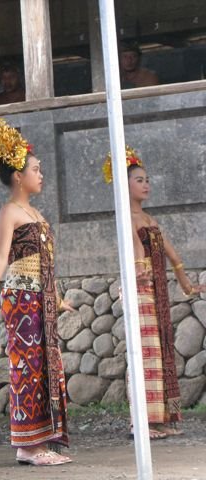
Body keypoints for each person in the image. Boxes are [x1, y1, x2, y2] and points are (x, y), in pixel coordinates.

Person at [0, 119, 72, 466]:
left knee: (45, 366)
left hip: (41, 299)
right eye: (35, 169)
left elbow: (43, 261)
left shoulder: (34, 211)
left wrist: (57, 298)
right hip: (21, 299)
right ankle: (27, 445)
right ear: (18, 176)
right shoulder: (9, 211)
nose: (41, 174)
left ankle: (40, 441)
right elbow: (0, 255)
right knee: (27, 367)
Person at [103, 147, 205, 438]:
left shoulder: (149, 219)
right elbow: (134, 251)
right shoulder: (127, 218)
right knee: (142, 354)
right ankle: (140, 423)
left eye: (147, 179)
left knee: (158, 355)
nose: (146, 184)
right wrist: (138, 268)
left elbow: (173, 256)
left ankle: (158, 420)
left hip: (157, 293)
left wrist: (186, 284)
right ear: (125, 185)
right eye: (139, 180)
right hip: (140, 291)